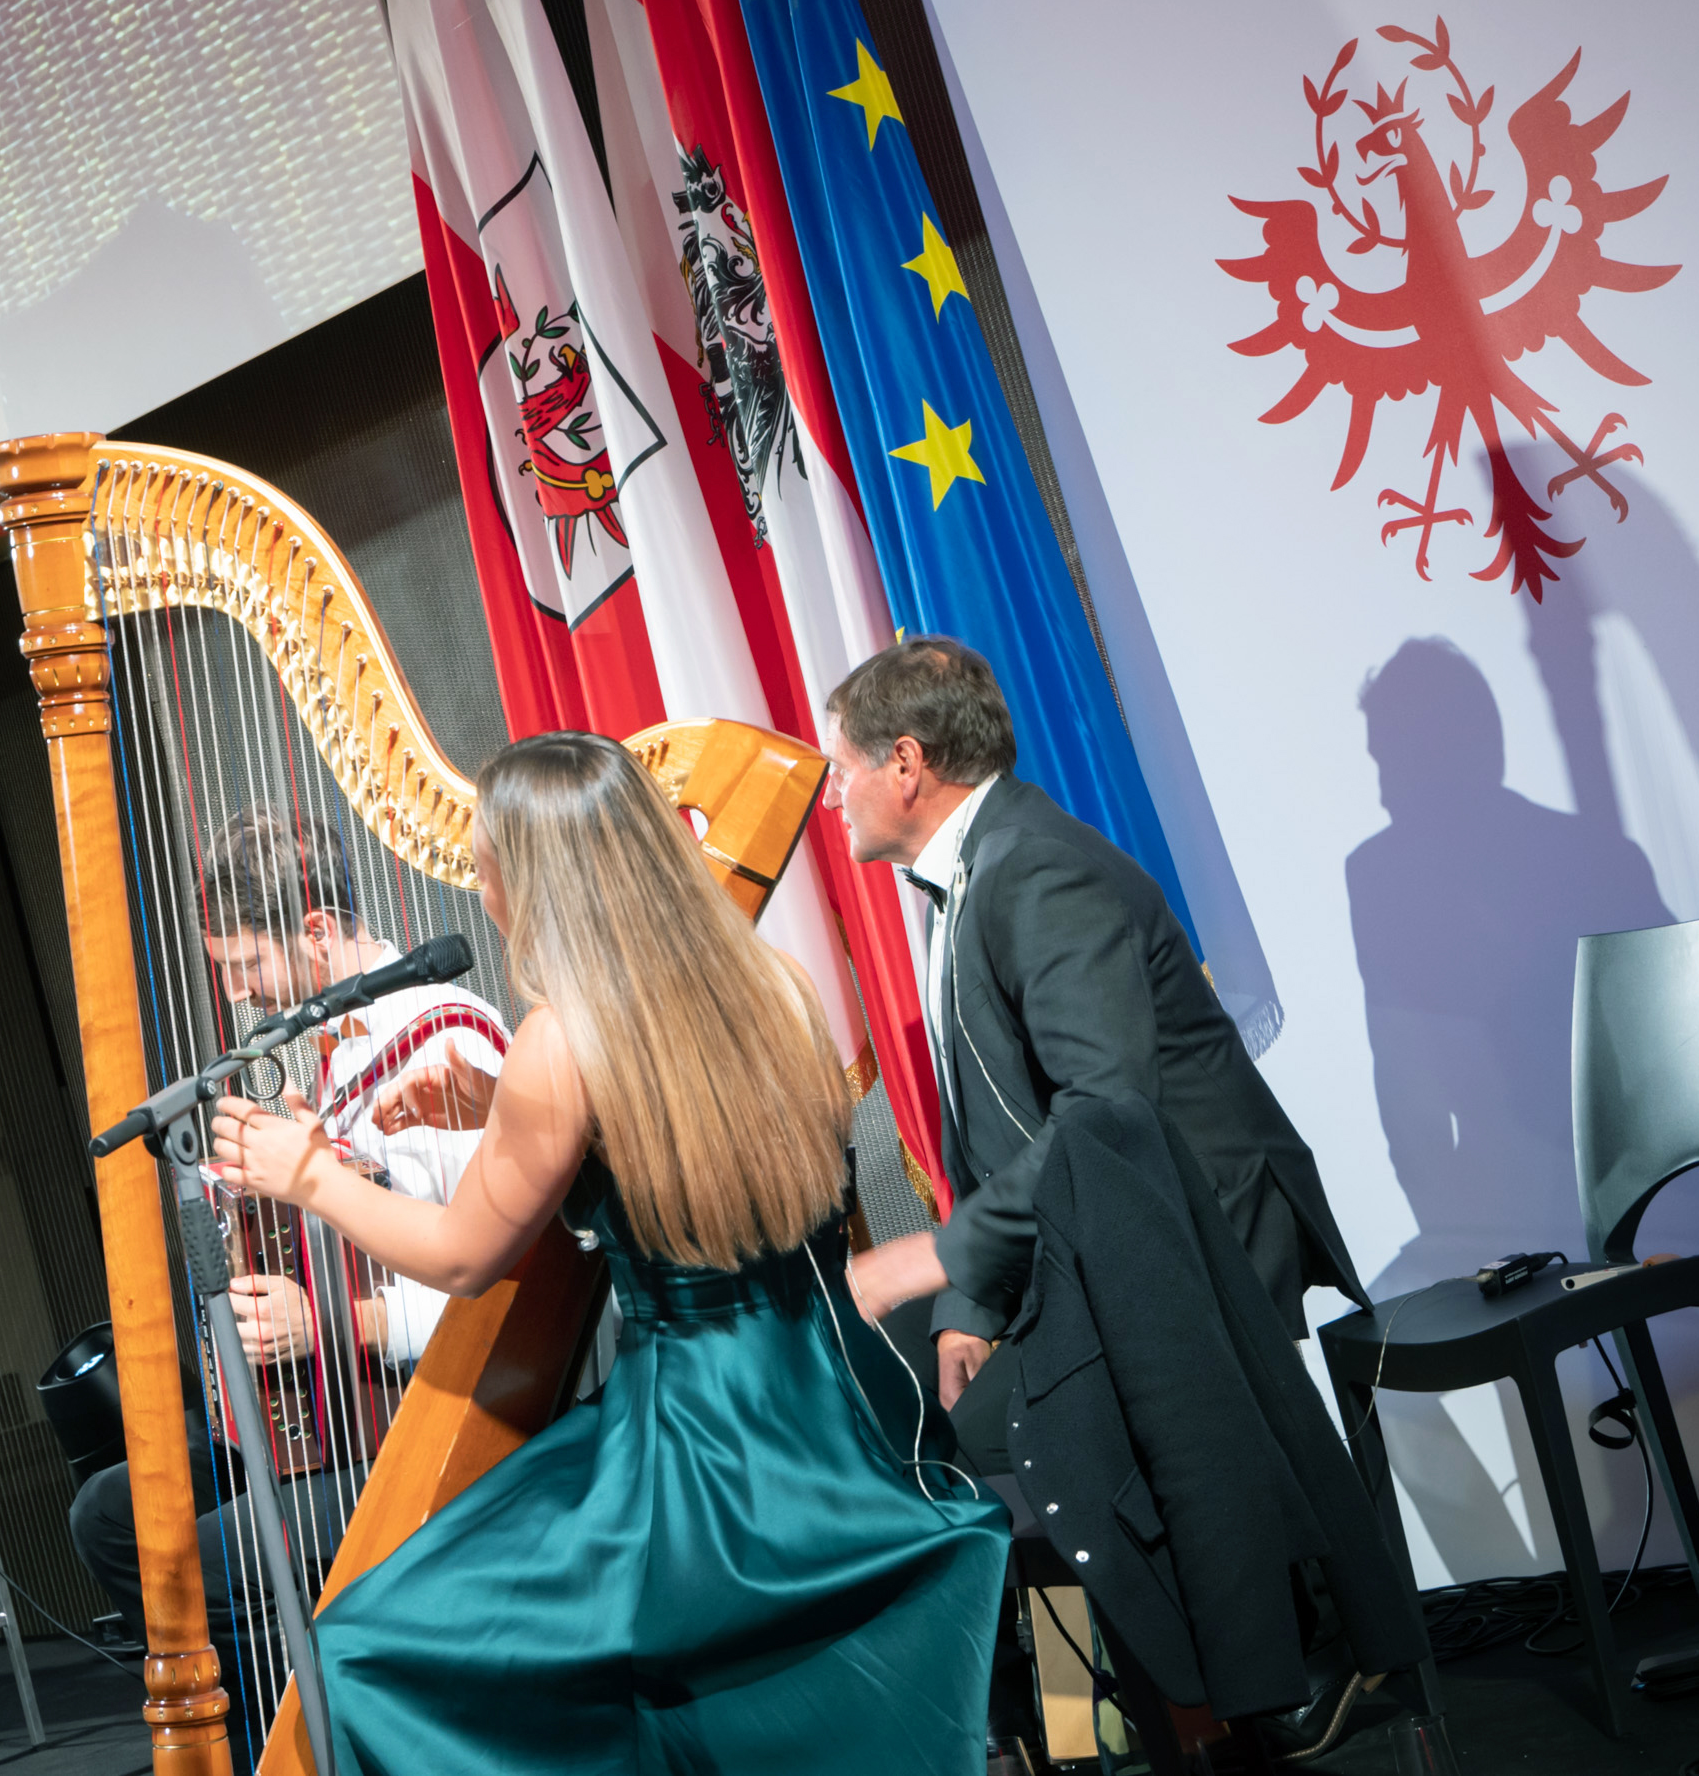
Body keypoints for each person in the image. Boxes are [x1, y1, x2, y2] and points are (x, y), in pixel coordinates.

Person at [210, 732, 1007, 1776]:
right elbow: (683, 1141)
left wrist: (309, 1175)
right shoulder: (773, 982)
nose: (486, 897)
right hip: (837, 1405)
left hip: (697, 1451)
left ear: (538, 879)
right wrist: (501, 1111)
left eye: (488, 870)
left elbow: (460, 1257)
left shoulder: (563, 1036)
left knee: (354, 1652)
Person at [826, 638, 1358, 1427]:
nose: (831, 797)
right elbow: (991, 1133)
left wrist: (936, 1255)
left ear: (905, 764)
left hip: (1195, 1239)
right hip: (1111, 1235)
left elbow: (1106, 1108)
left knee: (1226, 1492)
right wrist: (969, 1305)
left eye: (839, 770)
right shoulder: (973, 867)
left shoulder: (1034, 868)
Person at [66, 809, 507, 1699]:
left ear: (314, 930)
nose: (238, 997)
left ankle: (296, 1728)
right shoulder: (343, 1057)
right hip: (336, 1407)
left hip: (428, 1412)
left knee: (187, 1569)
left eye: (245, 965)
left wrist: (329, 1322)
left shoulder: (444, 1042)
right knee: (109, 1512)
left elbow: (497, 1288)